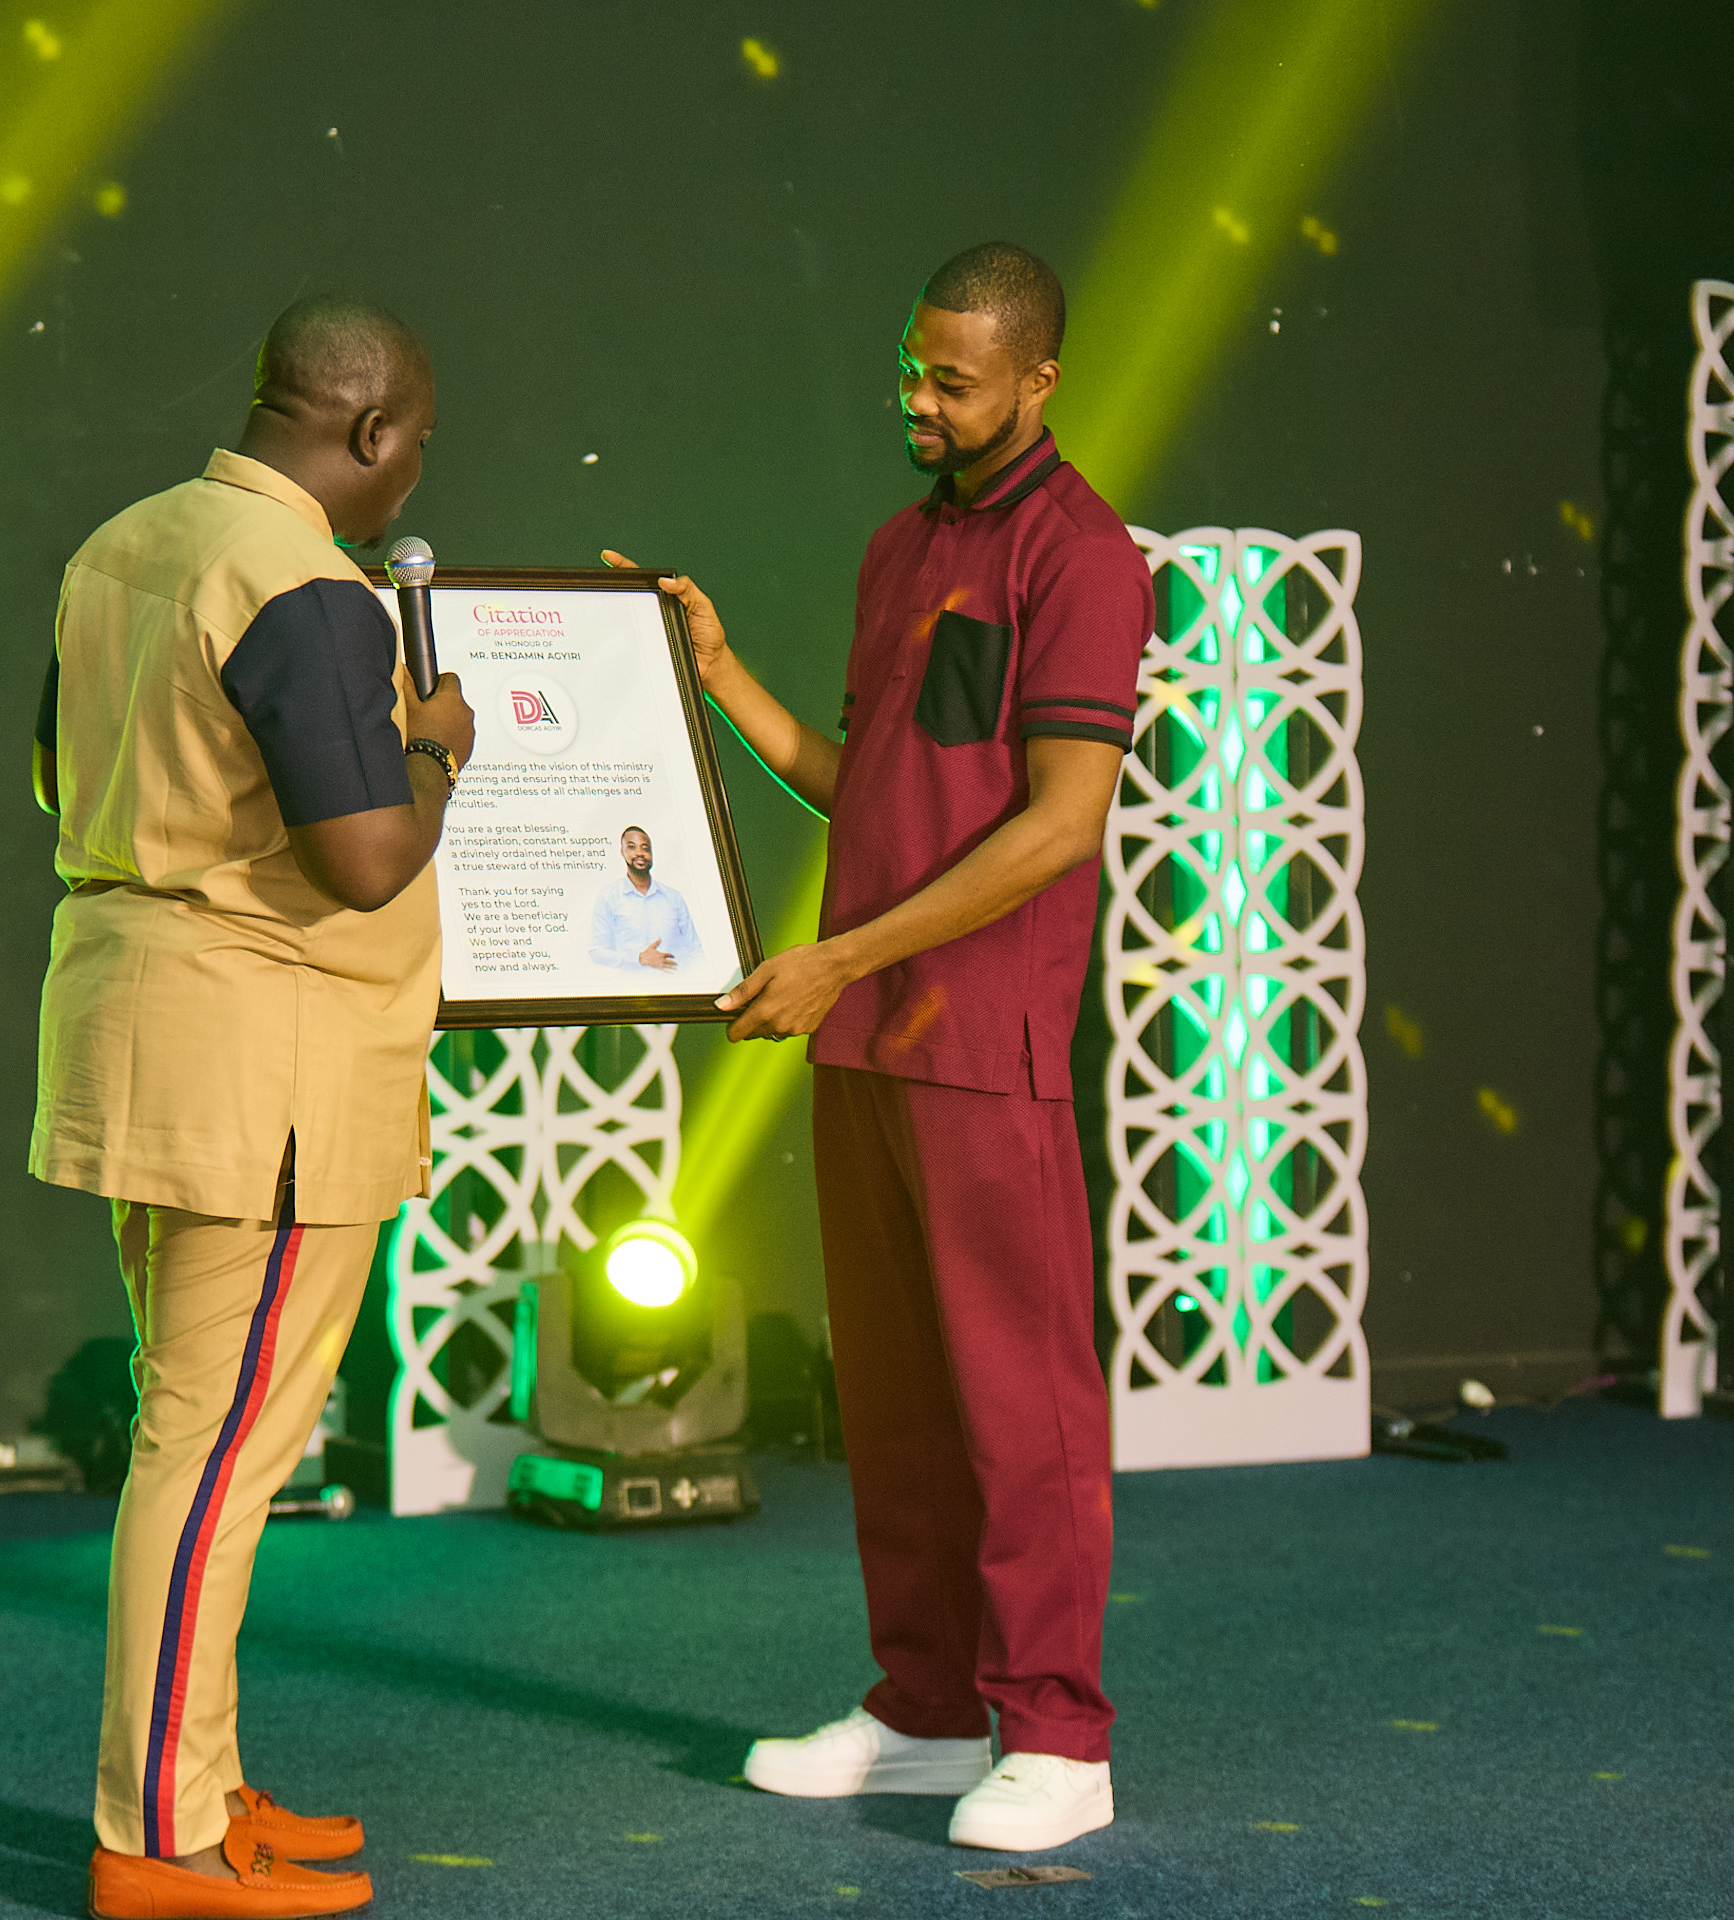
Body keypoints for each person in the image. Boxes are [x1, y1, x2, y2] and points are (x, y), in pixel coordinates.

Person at [606, 241, 1153, 1854]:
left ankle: (1059, 1737)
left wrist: (840, 956)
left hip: (987, 1043)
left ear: (1040, 379)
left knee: (1021, 1407)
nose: (919, 399)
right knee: (900, 1403)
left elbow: (1060, 825)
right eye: (912, 369)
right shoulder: (897, 548)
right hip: (867, 1040)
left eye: (954, 381)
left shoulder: (1084, 556)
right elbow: (876, 792)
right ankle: (924, 1710)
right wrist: (718, 678)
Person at [30, 293, 473, 1920]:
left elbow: (54, 772)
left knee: (193, 1430)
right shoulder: (307, 583)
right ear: (370, 430)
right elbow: (365, 860)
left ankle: (197, 1789)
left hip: (149, 1029)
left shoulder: (125, 545)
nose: (412, 476)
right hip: (266, 1066)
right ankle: (159, 1837)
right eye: (415, 446)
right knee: (211, 1457)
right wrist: (436, 748)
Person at [584, 825, 703, 973]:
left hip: (678, 983)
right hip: (632, 984)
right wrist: (638, 958)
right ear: (622, 852)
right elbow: (597, 952)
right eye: (632, 847)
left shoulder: (673, 897)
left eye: (645, 848)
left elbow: (695, 950)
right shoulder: (608, 897)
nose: (639, 853)